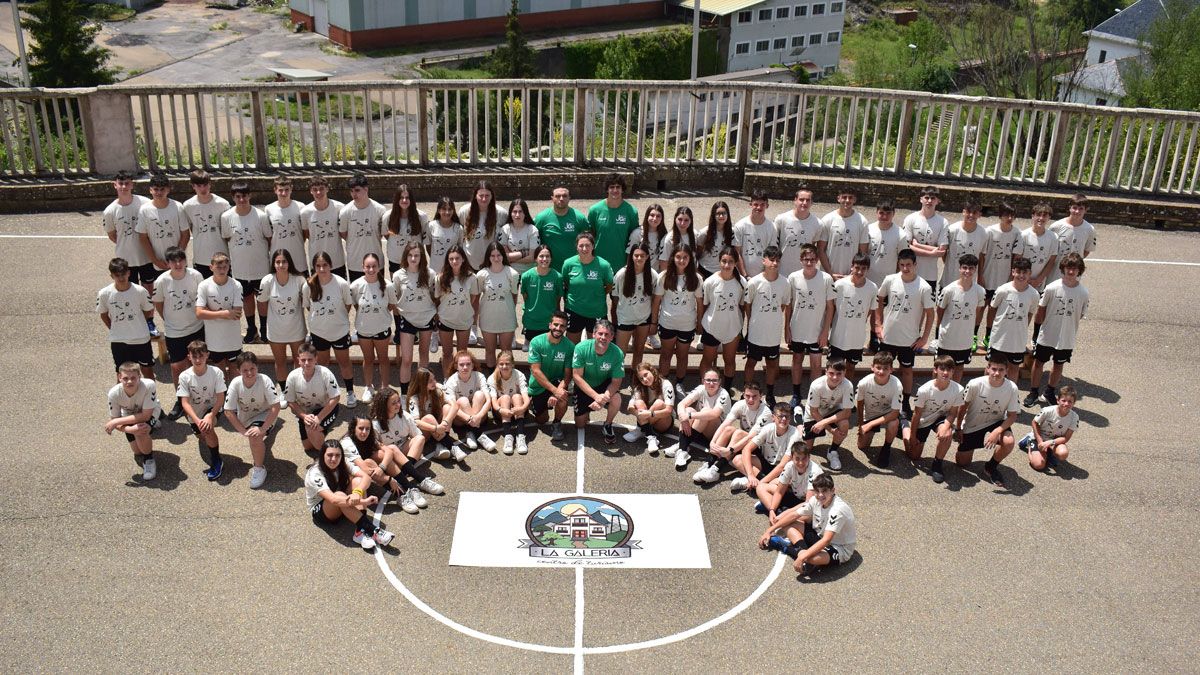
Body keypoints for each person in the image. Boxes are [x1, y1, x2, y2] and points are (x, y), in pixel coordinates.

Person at [874, 249, 934, 415]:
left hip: (909, 340)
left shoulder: (924, 287)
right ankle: (883, 401)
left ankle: (905, 402)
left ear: (915, 264)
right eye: (902, 265)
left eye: (909, 265)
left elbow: (931, 314)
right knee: (883, 370)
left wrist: (924, 338)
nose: (905, 268)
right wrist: (878, 325)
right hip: (888, 337)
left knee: (907, 371)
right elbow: (879, 301)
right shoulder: (890, 280)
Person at [304, 439, 394, 551]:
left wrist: (357, 492)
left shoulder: (343, 462)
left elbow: (366, 477)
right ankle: (373, 530)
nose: (334, 459)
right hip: (323, 510)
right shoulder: (314, 473)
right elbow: (334, 500)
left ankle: (359, 532)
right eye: (330, 455)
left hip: (343, 500)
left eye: (337, 455)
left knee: (357, 481)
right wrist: (362, 501)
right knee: (339, 494)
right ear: (322, 455)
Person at [759, 473, 856, 575]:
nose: (820, 495)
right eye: (817, 491)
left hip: (838, 548)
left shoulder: (837, 510)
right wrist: (769, 531)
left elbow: (827, 540)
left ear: (833, 490)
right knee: (788, 524)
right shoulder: (815, 500)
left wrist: (802, 557)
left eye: (824, 491)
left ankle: (787, 547)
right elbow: (794, 515)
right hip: (820, 535)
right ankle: (802, 551)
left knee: (811, 558)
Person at [1026, 253, 1090, 407]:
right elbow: (1040, 311)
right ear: (1063, 268)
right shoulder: (1052, 288)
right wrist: (1036, 334)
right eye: (1068, 268)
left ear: (1079, 271)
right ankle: (1034, 391)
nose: (1071, 272)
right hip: (1047, 335)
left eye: (1074, 269)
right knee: (1039, 362)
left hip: (1067, 338)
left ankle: (1049, 392)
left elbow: (1080, 314)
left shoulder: (1083, 293)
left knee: (1058, 364)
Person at [153, 246, 206, 420]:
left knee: (199, 364)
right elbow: (159, 304)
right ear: (167, 263)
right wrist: (169, 320)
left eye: (181, 260)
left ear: (185, 260)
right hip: (174, 331)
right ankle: (181, 400)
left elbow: (202, 298)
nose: (178, 264)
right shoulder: (161, 281)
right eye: (173, 261)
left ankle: (203, 398)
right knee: (177, 367)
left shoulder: (196, 276)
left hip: (196, 328)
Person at [953, 357, 1021, 488]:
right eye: (994, 369)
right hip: (973, 424)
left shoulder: (1012, 388)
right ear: (987, 369)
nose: (997, 373)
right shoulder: (975, 384)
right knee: (962, 463)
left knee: (1009, 442)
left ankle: (990, 467)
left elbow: (1012, 416)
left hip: (996, 421)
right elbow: (962, 408)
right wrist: (958, 428)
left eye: (1001, 370)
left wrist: (997, 431)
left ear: (1007, 371)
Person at [784, 243, 835, 416]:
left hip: (816, 331)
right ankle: (796, 395)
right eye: (806, 259)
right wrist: (787, 328)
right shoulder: (793, 277)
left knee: (816, 364)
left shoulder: (826, 279)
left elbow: (830, 307)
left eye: (813, 259)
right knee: (797, 360)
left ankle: (814, 396)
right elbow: (789, 305)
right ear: (801, 260)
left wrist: (824, 332)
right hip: (797, 329)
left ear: (817, 260)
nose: (809, 262)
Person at [102, 170, 155, 337]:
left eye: (127, 183)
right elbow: (112, 235)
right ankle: (135, 325)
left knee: (147, 293)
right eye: (121, 183)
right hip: (126, 261)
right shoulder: (110, 211)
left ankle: (149, 323)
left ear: (132, 184)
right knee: (130, 294)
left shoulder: (144, 203)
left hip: (145, 256)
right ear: (115, 185)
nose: (124, 186)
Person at [368, 392, 447, 502]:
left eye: (398, 401)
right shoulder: (375, 424)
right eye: (393, 403)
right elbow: (377, 450)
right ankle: (419, 479)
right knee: (392, 448)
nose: (398, 405)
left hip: (405, 455)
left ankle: (406, 473)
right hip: (389, 461)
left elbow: (416, 436)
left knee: (420, 438)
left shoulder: (404, 416)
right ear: (384, 405)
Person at [220, 181, 271, 344]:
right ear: (233, 198)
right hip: (240, 268)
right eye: (238, 197)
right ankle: (251, 329)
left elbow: (269, 239)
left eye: (244, 196)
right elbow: (227, 238)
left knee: (262, 299)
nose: (242, 200)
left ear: (250, 196)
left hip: (260, 267)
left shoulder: (261, 216)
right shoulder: (226, 217)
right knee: (247, 299)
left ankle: (264, 328)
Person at [304, 251, 357, 406]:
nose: (322, 269)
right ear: (314, 267)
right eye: (318, 266)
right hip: (319, 332)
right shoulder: (308, 286)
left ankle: (350, 392)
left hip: (339, 331)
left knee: (344, 362)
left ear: (331, 265)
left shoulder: (341, 283)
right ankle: (324, 393)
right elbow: (308, 307)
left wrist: (337, 319)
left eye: (325, 265)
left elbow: (347, 305)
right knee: (322, 364)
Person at [224, 351, 284, 487]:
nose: (250, 373)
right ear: (238, 370)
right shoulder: (235, 383)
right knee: (252, 434)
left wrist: (262, 428)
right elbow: (228, 411)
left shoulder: (265, 380)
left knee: (255, 437)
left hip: (265, 414)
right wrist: (242, 431)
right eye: (245, 370)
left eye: (252, 368)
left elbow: (276, 406)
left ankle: (259, 468)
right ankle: (271, 427)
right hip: (246, 419)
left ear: (257, 367)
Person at [341, 416, 424, 515]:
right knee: (368, 462)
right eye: (361, 428)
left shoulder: (369, 437)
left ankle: (409, 488)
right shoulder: (347, 443)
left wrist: (382, 467)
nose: (364, 432)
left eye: (367, 429)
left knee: (381, 453)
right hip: (350, 482)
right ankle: (401, 495)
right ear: (353, 428)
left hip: (365, 475)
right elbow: (365, 468)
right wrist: (389, 479)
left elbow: (389, 451)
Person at [654, 243, 704, 397]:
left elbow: (699, 303)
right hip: (667, 323)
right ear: (673, 258)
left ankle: (680, 383)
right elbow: (656, 301)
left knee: (682, 356)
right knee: (666, 355)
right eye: (678, 257)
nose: (681, 260)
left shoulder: (696, 278)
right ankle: (663, 384)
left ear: (690, 259)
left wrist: (699, 322)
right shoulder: (664, 276)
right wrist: (653, 322)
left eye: (685, 257)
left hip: (687, 325)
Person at [743, 245, 791, 407]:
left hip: (773, 334)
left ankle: (770, 393)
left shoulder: (785, 283)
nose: (774, 263)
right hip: (756, 332)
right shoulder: (755, 282)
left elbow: (783, 305)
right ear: (764, 260)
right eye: (771, 259)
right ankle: (748, 392)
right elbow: (748, 305)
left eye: (777, 260)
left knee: (771, 364)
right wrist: (753, 321)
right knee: (751, 362)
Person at [905, 355, 965, 482]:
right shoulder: (924, 390)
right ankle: (904, 427)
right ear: (935, 370)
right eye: (942, 369)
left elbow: (953, 412)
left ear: (953, 371)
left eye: (949, 370)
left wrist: (946, 427)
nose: (945, 373)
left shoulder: (958, 389)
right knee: (914, 457)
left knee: (947, 433)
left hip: (941, 417)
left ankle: (937, 464)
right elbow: (916, 414)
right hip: (924, 419)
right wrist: (912, 435)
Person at [176, 340, 227, 482]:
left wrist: (211, 415)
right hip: (194, 413)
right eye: (194, 357)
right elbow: (184, 402)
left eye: (201, 356)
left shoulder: (216, 372)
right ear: (189, 357)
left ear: (207, 356)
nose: (198, 360)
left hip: (212, 408)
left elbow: (221, 397)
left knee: (207, 429)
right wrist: (197, 420)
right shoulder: (184, 376)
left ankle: (217, 461)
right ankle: (203, 434)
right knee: (202, 435)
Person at [702, 381, 771, 484]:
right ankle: (709, 463)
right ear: (743, 394)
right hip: (743, 444)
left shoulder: (766, 412)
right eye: (747, 396)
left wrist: (730, 450)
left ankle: (717, 468)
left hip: (759, 448)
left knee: (739, 433)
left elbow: (751, 437)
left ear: (761, 396)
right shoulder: (740, 404)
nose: (750, 399)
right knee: (728, 429)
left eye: (754, 396)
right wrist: (712, 442)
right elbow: (725, 424)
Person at [391, 242, 437, 396]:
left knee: (424, 354)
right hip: (407, 319)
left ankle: (422, 390)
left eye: (417, 255)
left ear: (421, 257)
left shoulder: (430, 274)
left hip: (426, 317)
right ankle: (404, 395)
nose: (413, 258)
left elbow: (433, 295)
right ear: (405, 256)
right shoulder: (398, 275)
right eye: (410, 255)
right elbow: (395, 297)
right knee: (407, 359)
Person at [98, 257, 155, 380]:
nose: (121, 278)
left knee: (147, 372)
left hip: (140, 339)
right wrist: (114, 328)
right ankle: (123, 399)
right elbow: (103, 314)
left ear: (129, 273)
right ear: (111, 276)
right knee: (122, 375)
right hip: (119, 341)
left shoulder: (140, 291)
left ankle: (150, 398)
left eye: (123, 274)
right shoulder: (105, 293)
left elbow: (148, 311)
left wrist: (136, 323)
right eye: (117, 275)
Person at [976, 201, 1023, 351]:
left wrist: (1011, 277)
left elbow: (1016, 258)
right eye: (1006, 215)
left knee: (994, 309)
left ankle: (988, 336)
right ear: (1000, 216)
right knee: (981, 307)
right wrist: (981, 274)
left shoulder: (1017, 234)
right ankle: (973, 335)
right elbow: (981, 255)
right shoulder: (989, 231)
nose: (1009, 218)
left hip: (1003, 280)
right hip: (988, 276)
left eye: (1012, 215)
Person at [350, 253, 395, 405]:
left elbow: (390, 306)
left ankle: (384, 388)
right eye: (367, 266)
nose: (371, 269)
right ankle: (368, 387)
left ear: (379, 267)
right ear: (363, 267)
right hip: (364, 330)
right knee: (368, 359)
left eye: (374, 266)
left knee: (383, 358)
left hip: (382, 328)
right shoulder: (356, 285)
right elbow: (356, 305)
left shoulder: (388, 286)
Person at [105, 361, 162, 480]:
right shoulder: (113, 394)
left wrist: (116, 422)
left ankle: (149, 459)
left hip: (150, 411)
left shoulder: (149, 385)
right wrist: (130, 429)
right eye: (125, 378)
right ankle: (143, 443)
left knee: (142, 430)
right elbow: (116, 420)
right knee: (137, 452)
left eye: (133, 378)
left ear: (139, 377)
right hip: (129, 415)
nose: (129, 381)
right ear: (119, 377)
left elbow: (145, 416)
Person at [257, 249, 307, 386]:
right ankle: (284, 391)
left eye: (284, 261)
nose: (281, 265)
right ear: (273, 264)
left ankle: (297, 388)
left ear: (289, 263)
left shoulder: (299, 280)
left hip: (296, 329)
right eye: (277, 262)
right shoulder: (267, 281)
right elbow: (261, 303)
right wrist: (264, 325)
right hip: (276, 331)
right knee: (280, 362)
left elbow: (306, 302)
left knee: (299, 361)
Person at [571, 319, 625, 445]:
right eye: (600, 333)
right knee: (580, 425)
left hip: (603, 384)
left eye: (607, 334)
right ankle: (587, 412)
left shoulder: (617, 353)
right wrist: (596, 397)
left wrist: (604, 398)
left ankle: (607, 424)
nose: (603, 337)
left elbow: (616, 381)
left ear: (612, 337)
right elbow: (577, 377)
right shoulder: (581, 348)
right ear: (594, 334)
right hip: (584, 385)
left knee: (616, 398)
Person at [988, 257, 1039, 385]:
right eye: (1018, 272)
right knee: (993, 367)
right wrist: (990, 331)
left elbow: (1029, 314)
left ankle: (1010, 396)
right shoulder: (1003, 290)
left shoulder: (1034, 294)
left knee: (1014, 368)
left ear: (1029, 273)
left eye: (1025, 272)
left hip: (1018, 340)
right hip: (999, 339)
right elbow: (992, 310)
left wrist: (1021, 329)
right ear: (1013, 272)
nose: (1021, 275)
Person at [697, 247, 745, 386]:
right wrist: (700, 325)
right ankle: (705, 389)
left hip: (732, 328)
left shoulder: (741, 282)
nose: (727, 265)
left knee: (729, 360)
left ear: (735, 263)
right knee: (707, 360)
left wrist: (740, 327)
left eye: (730, 261)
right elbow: (705, 305)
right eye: (724, 261)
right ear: (719, 262)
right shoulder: (710, 282)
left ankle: (727, 389)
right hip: (712, 327)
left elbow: (742, 307)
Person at [935, 254, 986, 382]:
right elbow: (940, 311)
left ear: (975, 270)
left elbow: (978, 311)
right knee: (940, 368)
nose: (967, 271)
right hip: (947, 339)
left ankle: (955, 395)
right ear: (959, 268)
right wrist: (939, 331)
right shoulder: (949, 290)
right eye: (964, 267)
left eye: (971, 268)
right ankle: (935, 395)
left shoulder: (980, 291)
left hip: (965, 340)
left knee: (958, 368)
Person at [728, 402, 801, 491]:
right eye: (780, 416)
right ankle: (755, 482)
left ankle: (755, 484)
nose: (784, 419)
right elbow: (747, 449)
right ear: (773, 417)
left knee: (787, 485)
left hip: (784, 469)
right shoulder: (768, 428)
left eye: (787, 416)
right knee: (737, 460)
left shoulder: (795, 435)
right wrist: (750, 475)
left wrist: (762, 481)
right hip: (767, 462)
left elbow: (782, 465)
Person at [194, 252, 244, 381]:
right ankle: (222, 397)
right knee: (219, 371)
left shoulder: (236, 285)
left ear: (229, 267)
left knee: (235, 369)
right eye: (218, 267)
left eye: (225, 267)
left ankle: (233, 398)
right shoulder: (204, 285)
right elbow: (199, 313)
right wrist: (225, 313)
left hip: (233, 340)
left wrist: (210, 312)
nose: (222, 270)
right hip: (214, 341)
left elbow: (237, 314)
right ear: (211, 267)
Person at [136, 174, 190, 293]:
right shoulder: (144, 210)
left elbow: (185, 234)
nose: (159, 192)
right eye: (156, 189)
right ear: (150, 190)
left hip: (178, 263)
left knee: (181, 292)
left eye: (162, 189)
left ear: (168, 190)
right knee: (161, 295)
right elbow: (143, 238)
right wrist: (155, 260)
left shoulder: (177, 207)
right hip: (158, 263)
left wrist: (176, 258)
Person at [827, 253, 877, 382]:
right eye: (857, 268)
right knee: (834, 368)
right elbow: (830, 309)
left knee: (850, 367)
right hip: (837, 337)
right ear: (852, 267)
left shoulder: (872, 288)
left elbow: (869, 312)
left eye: (863, 269)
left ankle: (846, 394)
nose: (860, 272)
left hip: (856, 339)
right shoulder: (839, 285)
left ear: (868, 269)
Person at [285, 342, 342, 454]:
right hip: (306, 412)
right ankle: (321, 432)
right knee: (308, 447)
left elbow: (336, 397)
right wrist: (303, 416)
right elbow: (290, 401)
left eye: (310, 359)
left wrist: (319, 418)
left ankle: (326, 456)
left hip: (326, 410)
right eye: (303, 360)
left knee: (312, 429)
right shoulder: (292, 376)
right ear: (298, 360)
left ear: (316, 359)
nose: (306, 363)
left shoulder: (325, 373)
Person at [670, 369, 732, 469]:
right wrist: (684, 419)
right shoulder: (701, 388)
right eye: (708, 380)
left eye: (715, 380)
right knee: (688, 409)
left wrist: (689, 416)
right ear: (703, 381)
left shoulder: (723, 394)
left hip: (715, 434)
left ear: (720, 382)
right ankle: (683, 450)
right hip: (699, 429)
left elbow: (714, 414)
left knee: (705, 411)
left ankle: (683, 444)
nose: (711, 383)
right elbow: (681, 404)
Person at [527, 311, 574, 441]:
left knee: (563, 397)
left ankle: (557, 423)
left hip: (557, 382)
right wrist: (554, 391)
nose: (558, 328)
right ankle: (534, 403)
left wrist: (557, 392)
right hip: (538, 385)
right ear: (549, 325)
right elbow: (535, 371)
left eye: (562, 326)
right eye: (556, 324)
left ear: (565, 328)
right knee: (541, 420)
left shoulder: (570, 347)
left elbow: (567, 375)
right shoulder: (537, 342)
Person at [562, 232, 615, 344]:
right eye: (581, 245)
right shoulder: (568, 264)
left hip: (596, 311)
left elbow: (609, 285)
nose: (584, 248)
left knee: (596, 346)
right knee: (572, 346)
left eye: (588, 245)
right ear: (576, 247)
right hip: (574, 310)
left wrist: (598, 294)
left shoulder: (603, 265)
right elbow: (566, 283)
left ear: (593, 246)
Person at [435, 246, 480, 375]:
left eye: (457, 258)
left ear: (463, 259)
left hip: (464, 320)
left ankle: (460, 379)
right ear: (447, 261)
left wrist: (462, 307)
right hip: (446, 320)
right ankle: (447, 379)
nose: (454, 261)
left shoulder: (471, 277)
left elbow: (473, 297)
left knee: (462, 353)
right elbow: (437, 299)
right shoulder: (440, 278)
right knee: (447, 353)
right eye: (451, 259)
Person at [802, 359, 854, 470]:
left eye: (839, 374)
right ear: (826, 372)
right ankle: (798, 423)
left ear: (844, 373)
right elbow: (814, 412)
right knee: (808, 448)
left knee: (844, 423)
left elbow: (847, 412)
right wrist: (831, 430)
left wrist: (825, 423)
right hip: (814, 414)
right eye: (831, 373)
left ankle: (833, 451)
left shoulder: (848, 385)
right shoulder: (816, 385)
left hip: (832, 411)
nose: (835, 377)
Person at [611, 243, 657, 369]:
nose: (639, 258)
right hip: (625, 319)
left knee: (639, 350)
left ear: (647, 257)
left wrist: (653, 322)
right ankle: (616, 381)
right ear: (631, 256)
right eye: (636, 255)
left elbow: (654, 299)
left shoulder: (652, 275)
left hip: (643, 319)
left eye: (642, 255)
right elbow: (615, 298)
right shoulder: (621, 274)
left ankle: (635, 381)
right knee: (620, 353)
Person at [475, 242, 520, 371]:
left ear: (503, 256)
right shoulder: (481, 274)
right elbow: (477, 297)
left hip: (507, 318)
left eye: (499, 255)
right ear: (488, 257)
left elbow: (514, 295)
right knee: (490, 350)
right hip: (488, 317)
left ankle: (506, 379)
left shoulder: (512, 273)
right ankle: (492, 379)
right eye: (492, 255)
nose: (496, 258)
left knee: (506, 352)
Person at [854, 352, 903, 467]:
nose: (881, 372)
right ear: (872, 367)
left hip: (889, 414)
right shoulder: (863, 383)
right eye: (878, 368)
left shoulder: (897, 385)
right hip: (870, 415)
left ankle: (886, 448)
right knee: (862, 446)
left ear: (891, 369)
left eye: (885, 368)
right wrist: (861, 424)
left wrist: (870, 425)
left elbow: (895, 413)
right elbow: (860, 403)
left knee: (894, 423)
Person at [754, 445, 824, 522]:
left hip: (809, 504)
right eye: (797, 459)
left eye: (804, 458)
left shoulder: (815, 472)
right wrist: (772, 510)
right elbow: (779, 492)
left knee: (809, 516)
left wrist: (785, 514)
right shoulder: (789, 466)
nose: (800, 463)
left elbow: (808, 503)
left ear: (809, 457)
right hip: (796, 496)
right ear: (792, 458)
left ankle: (781, 516)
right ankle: (779, 515)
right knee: (761, 487)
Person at [181, 169, 229, 279]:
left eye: (205, 185)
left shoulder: (223, 204)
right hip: (200, 257)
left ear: (210, 184)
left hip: (222, 255)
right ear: (193, 186)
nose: (203, 189)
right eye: (198, 186)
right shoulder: (188, 206)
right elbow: (190, 229)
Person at [338, 172, 386, 283]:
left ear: (366, 189)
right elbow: (344, 234)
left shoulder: (380, 210)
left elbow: (382, 233)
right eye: (351, 191)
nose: (354, 194)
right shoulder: (345, 212)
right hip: (355, 263)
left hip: (376, 262)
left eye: (357, 190)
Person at [444, 350, 496, 452]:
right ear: (456, 366)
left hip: (479, 417)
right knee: (463, 400)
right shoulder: (451, 381)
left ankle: (471, 433)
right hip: (460, 419)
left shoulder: (479, 376)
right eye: (461, 364)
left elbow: (489, 400)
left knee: (480, 395)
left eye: (468, 364)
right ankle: (479, 434)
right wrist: (469, 419)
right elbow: (453, 407)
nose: (465, 367)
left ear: (473, 365)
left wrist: (478, 417)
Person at [588, 173, 639, 273]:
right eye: (611, 187)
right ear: (607, 189)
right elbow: (590, 236)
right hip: (599, 262)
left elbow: (634, 238)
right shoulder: (595, 210)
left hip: (622, 264)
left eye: (618, 187)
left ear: (622, 189)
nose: (615, 190)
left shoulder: (631, 211)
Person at [1020, 385, 1079, 471]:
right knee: (1039, 465)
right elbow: (1034, 422)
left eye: (1070, 401)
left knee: (1063, 454)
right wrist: (1040, 441)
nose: (1066, 404)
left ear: (1074, 403)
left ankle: (1049, 453)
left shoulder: (1074, 417)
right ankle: (1029, 442)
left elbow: (1066, 438)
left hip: (1053, 440)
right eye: (1063, 400)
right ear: (1058, 400)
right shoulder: (1047, 410)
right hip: (1039, 437)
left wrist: (1049, 443)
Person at [902, 186, 948, 291]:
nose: (929, 201)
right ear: (921, 199)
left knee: (927, 307)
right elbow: (906, 247)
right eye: (926, 198)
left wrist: (917, 245)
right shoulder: (910, 219)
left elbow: (941, 251)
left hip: (930, 274)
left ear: (938, 201)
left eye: (933, 198)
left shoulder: (943, 222)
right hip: (910, 271)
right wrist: (932, 253)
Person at [409, 367, 460, 462]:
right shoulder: (414, 398)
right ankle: (451, 446)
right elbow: (416, 422)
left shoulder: (437, 389)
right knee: (429, 417)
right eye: (430, 381)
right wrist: (436, 428)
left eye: (434, 379)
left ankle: (441, 444)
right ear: (421, 384)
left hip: (440, 426)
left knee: (447, 408)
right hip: (425, 431)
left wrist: (445, 421)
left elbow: (455, 406)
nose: (434, 382)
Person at [300, 175, 347, 278]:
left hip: (337, 262)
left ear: (327, 189)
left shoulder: (339, 208)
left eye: (321, 189)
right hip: (316, 263)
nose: (318, 193)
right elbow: (307, 235)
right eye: (315, 190)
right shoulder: (305, 213)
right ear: (310, 191)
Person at [535, 185, 589, 272]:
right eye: (557, 196)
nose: (561, 198)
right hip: (549, 269)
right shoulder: (542, 218)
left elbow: (588, 242)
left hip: (574, 268)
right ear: (552, 198)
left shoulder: (579, 218)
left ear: (569, 198)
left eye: (564, 196)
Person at [624, 362, 675, 455]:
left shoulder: (666, 384)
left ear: (652, 371)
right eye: (641, 378)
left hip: (664, 422)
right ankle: (650, 436)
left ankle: (642, 429)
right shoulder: (639, 387)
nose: (645, 379)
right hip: (647, 419)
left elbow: (668, 410)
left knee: (659, 403)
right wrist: (638, 414)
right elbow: (630, 408)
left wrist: (648, 414)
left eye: (646, 375)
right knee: (638, 402)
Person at [1045, 193, 1096, 286]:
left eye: (1081, 209)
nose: (1077, 211)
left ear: (1086, 210)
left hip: (1074, 272)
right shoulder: (1056, 226)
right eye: (1075, 208)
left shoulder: (1089, 229)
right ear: (1069, 208)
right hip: (1055, 271)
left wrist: (1074, 262)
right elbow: (1048, 248)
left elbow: (1087, 250)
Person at [939, 198, 988, 292]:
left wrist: (980, 277)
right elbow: (944, 252)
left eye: (974, 213)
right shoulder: (952, 230)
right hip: (948, 280)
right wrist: (951, 265)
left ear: (979, 214)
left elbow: (981, 256)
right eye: (968, 212)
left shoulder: (983, 234)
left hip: (969, 283)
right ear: (963, 212)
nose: (971, 215)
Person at [458, 179, 508, 271]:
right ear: (475, 196)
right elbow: (460, 232)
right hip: (468, 262)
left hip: (492, 262)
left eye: (487, 196)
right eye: (481, 196)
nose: (484, 199)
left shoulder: (501, 213)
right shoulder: (464, 211)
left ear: (492, 196)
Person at [775, 187, 825, 279]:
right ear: (795, 200)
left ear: (812, 202)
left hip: (803, 274)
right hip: (781, 272)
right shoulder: (781, 219)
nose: (804, 203)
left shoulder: (818, 224)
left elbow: (812, 248)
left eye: (808, 200)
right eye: (801, 199)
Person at [818, 187, 868, 280]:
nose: (847, 200)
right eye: (844, 197)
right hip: (829, 275)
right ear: (838, 198)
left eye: (850, 197)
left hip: (852, 276)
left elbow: (863, 252)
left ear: (855, 200)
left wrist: (852, 274)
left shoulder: (862, 222)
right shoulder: (827, 219)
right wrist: (830, 274)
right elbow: (821, 249)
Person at [487, 350, 530, 454]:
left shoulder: (519, 375)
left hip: (517, 411)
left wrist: (522, 408)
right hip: (501, 412)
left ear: (513, 365)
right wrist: (501, 410)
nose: (504, 366)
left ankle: (520, 436)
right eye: (501, 364)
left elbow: (526, 397)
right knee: (505, 397)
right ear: (497, 365)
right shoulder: (492, 378)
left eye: (507, 364)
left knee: (516, 396)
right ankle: (508, 436)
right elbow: (493, 402)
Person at [264, 175, 308, 277]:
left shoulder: (301, 207)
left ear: (291, 189)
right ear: (275, 190)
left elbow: (305, 233)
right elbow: (268, 236)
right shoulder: (268, 209)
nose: (284, 193)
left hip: (298, 258)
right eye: (280, 190)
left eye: (287, 190)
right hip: (278, 259)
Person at [519, 244, 563, 342]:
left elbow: (557, 300)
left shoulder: (557, 277)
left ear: (551, 258)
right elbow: (525, 297)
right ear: (535, 258)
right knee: (531, 351)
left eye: (547, 256)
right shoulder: (526, 276)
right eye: (541, 256)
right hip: (531, 322)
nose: (544, 259)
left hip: (549, 322)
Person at [383, 184, 427, 274]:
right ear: (396, 199)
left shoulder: (421, 217)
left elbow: (423, 236)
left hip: (415, 260)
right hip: (396, 259)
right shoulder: (388, 217)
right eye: (401, 197)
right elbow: (386, 235)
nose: (404, 200)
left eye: (407, 198)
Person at [864, 200, 909, 288]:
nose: (884, 216)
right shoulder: (868, 230)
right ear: (876, 212)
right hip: (867, 280)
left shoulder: (901, 234)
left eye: (888, 213)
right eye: (881, 213)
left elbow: (903, 260)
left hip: (888, 283)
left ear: (893, 214)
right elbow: (863, 253)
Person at [733, 189, 777, 278]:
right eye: (756, 204)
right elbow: (736, 252)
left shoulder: (772, 227)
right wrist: (745, 275)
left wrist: (765, 274)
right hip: (743, 276)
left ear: (767, 206)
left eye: (762, 205)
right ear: (750, 205)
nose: (759, 208)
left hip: (763, 276)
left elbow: (771, 253)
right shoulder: (740, 225)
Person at [1019, 202, 1059, 293]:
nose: (1041, 218)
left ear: (1049, 218)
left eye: (1044, 215)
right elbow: (1018, 259)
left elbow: (1051, 261)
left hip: (1039, 283)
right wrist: (1025, 278)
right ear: (1032, 216)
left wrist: (1038, 280)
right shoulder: (1023, 235)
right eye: (1038, 215)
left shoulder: (1053, 237)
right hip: (1021, 279)